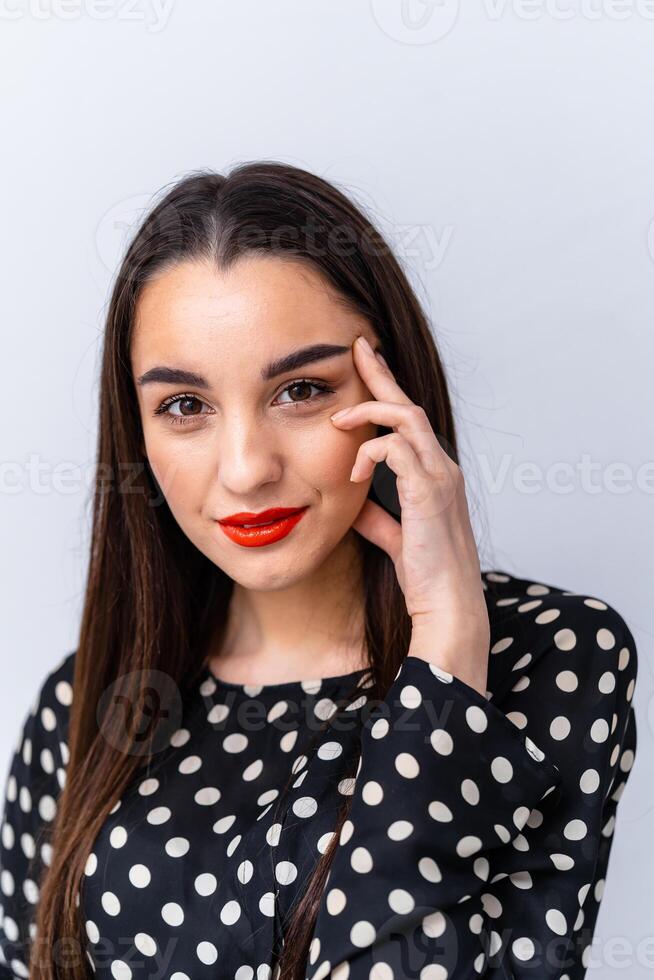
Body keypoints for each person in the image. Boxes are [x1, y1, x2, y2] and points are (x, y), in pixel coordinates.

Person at [0, 162, 638, 980]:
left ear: (390, 391)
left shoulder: (549, 656)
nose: (245, 470)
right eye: (185, 407)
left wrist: (446, 645)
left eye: (299, 390)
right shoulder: (89, 702)